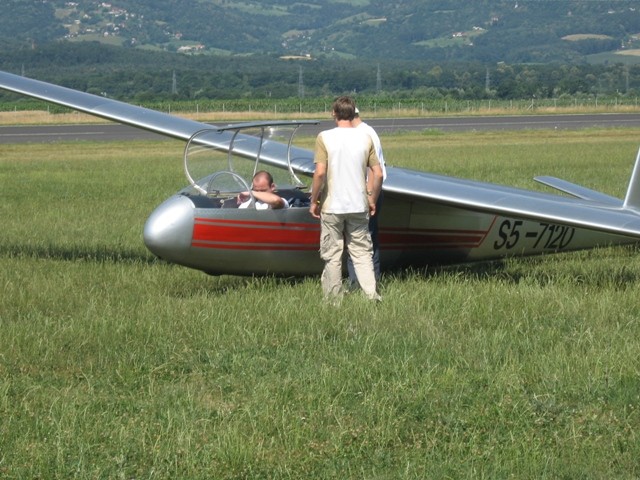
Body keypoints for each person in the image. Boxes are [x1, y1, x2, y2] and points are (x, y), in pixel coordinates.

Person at [309, 96, 383, 302]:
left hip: (332, 206)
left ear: (334, 113)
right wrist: (372, 199)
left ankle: (334, 300)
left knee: (333, 255)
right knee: (361, 253)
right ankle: (371, 295)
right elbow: (378, 174)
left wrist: (314, 200)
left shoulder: (324, 137)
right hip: (359, 205)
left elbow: (320, 173)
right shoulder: (365, 138)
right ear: (353, 113)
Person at [347, 107, 387, 284]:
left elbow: (376, 172)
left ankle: (361, 283)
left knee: (361, 240)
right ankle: (365, 281)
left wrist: (371, 198)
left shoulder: (363, 134)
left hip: (367, 193)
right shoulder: (365, 131)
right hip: (367, 192)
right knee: (364, 240)